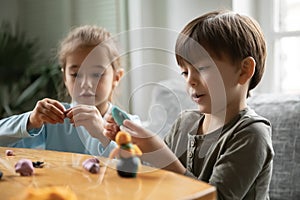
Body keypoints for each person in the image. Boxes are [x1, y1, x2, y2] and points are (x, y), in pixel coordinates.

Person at [105, 10, 274, 199]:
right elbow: (158, 180)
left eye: (202, 69)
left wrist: (161, 154)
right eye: (185, 73)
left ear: (244, 71)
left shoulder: (251, 134)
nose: (190, 81)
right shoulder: (184, 123)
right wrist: (134, 150)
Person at [0, 25, 132, 157]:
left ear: (116, 77)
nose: (85, 84)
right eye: (76, 74)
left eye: (96, 74)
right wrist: (30, 121)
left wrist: (102, 135)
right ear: (64, 77)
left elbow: (139, 168)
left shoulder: (128, 124)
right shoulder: (53, 121)